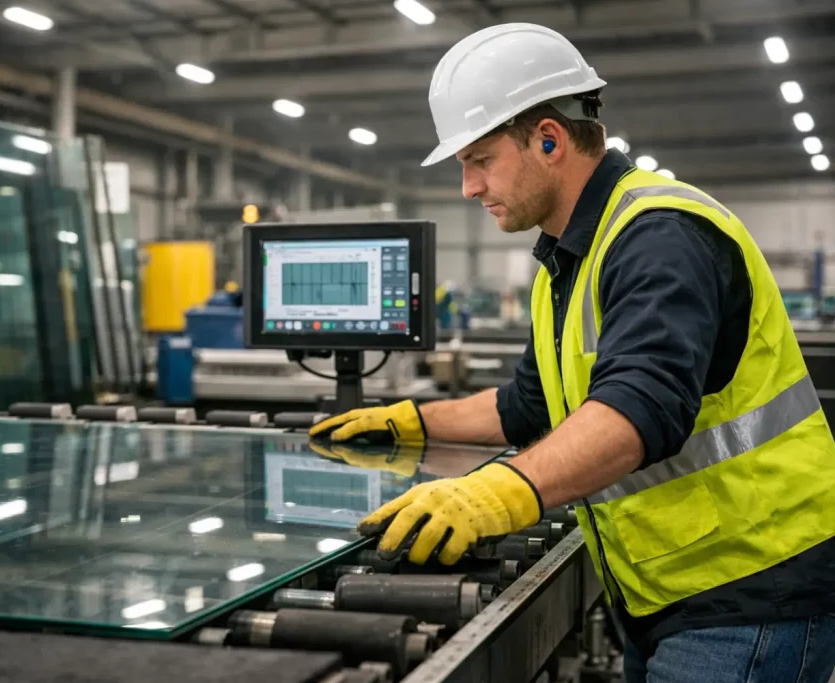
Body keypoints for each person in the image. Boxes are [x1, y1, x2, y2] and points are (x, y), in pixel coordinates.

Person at [309, 22, 835, 683]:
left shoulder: (657, 236)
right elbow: (526, 404)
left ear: (549, 139)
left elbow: (639, 409)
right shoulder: (567, 262)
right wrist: (414, 419)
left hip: (752, 584)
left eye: (479, 159)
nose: (469, 187)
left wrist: (499, 493)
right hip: (664, 589)